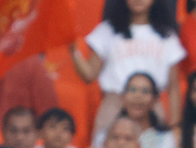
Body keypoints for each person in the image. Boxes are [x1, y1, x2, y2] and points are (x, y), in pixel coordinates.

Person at [73, 0, 186, 138]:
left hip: (152, 110)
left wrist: (175, 127)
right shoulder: (107, 31)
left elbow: (173, 87)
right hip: (115, 107)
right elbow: (89, 75)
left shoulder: (167, 36)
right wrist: (73, 51)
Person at [104, 72, 179, 148]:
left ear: (155, 99)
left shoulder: (166, 139)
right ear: (122, 97)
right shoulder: (105, 136)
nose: (138, 96)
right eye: (132, 90)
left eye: (145, 91)